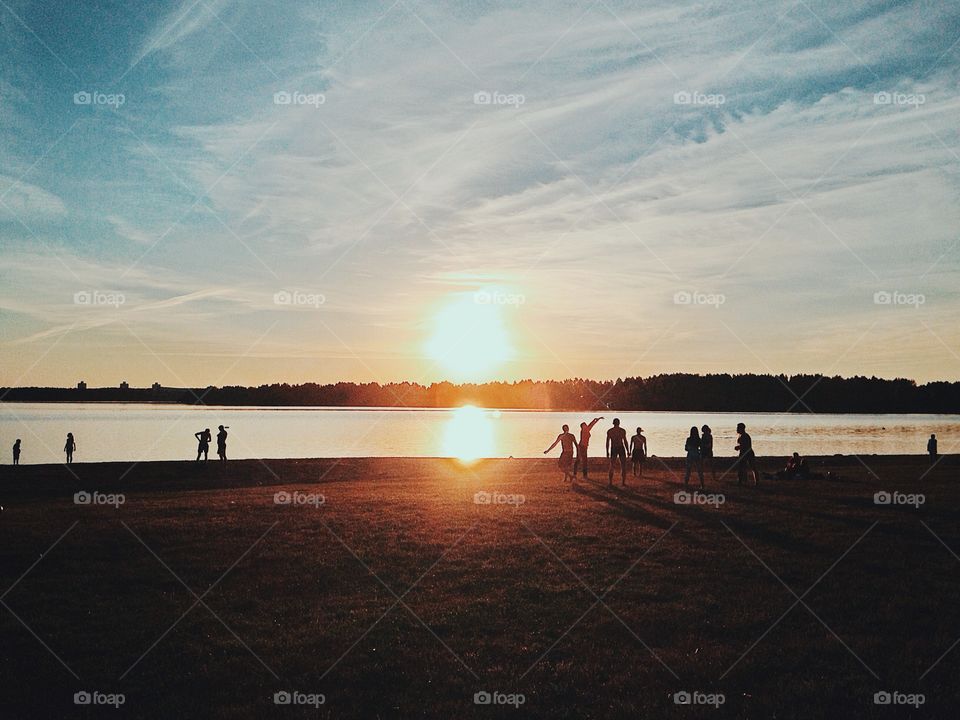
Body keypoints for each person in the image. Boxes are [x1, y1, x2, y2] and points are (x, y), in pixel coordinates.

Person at [606, 418, 629, 486]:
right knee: (622, 465)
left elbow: (607, 442)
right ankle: (623, 482)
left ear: (613, 423)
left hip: (615, 448)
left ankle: (611, 482)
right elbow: (625, 441)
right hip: (619, 448)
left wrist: (607, 451)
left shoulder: (610, 431)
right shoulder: (622, 430)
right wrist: (628, 450)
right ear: (619, 423)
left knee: (613, 465)